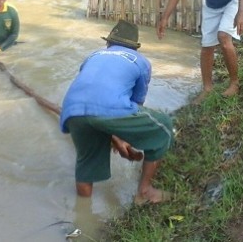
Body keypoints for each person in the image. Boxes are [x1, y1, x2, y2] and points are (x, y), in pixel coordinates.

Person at [60, 20, 174, 204]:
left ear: (108, 43)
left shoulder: (93, 55)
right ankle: (144, 191)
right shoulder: (141, 61)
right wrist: (123, 136)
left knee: (86, 161)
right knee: (164, 126)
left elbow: (91, 93)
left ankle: (83, 212)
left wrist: (117, 139)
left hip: (72, 109)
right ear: (134, 47)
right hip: (107, 109)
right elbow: (135, 105)